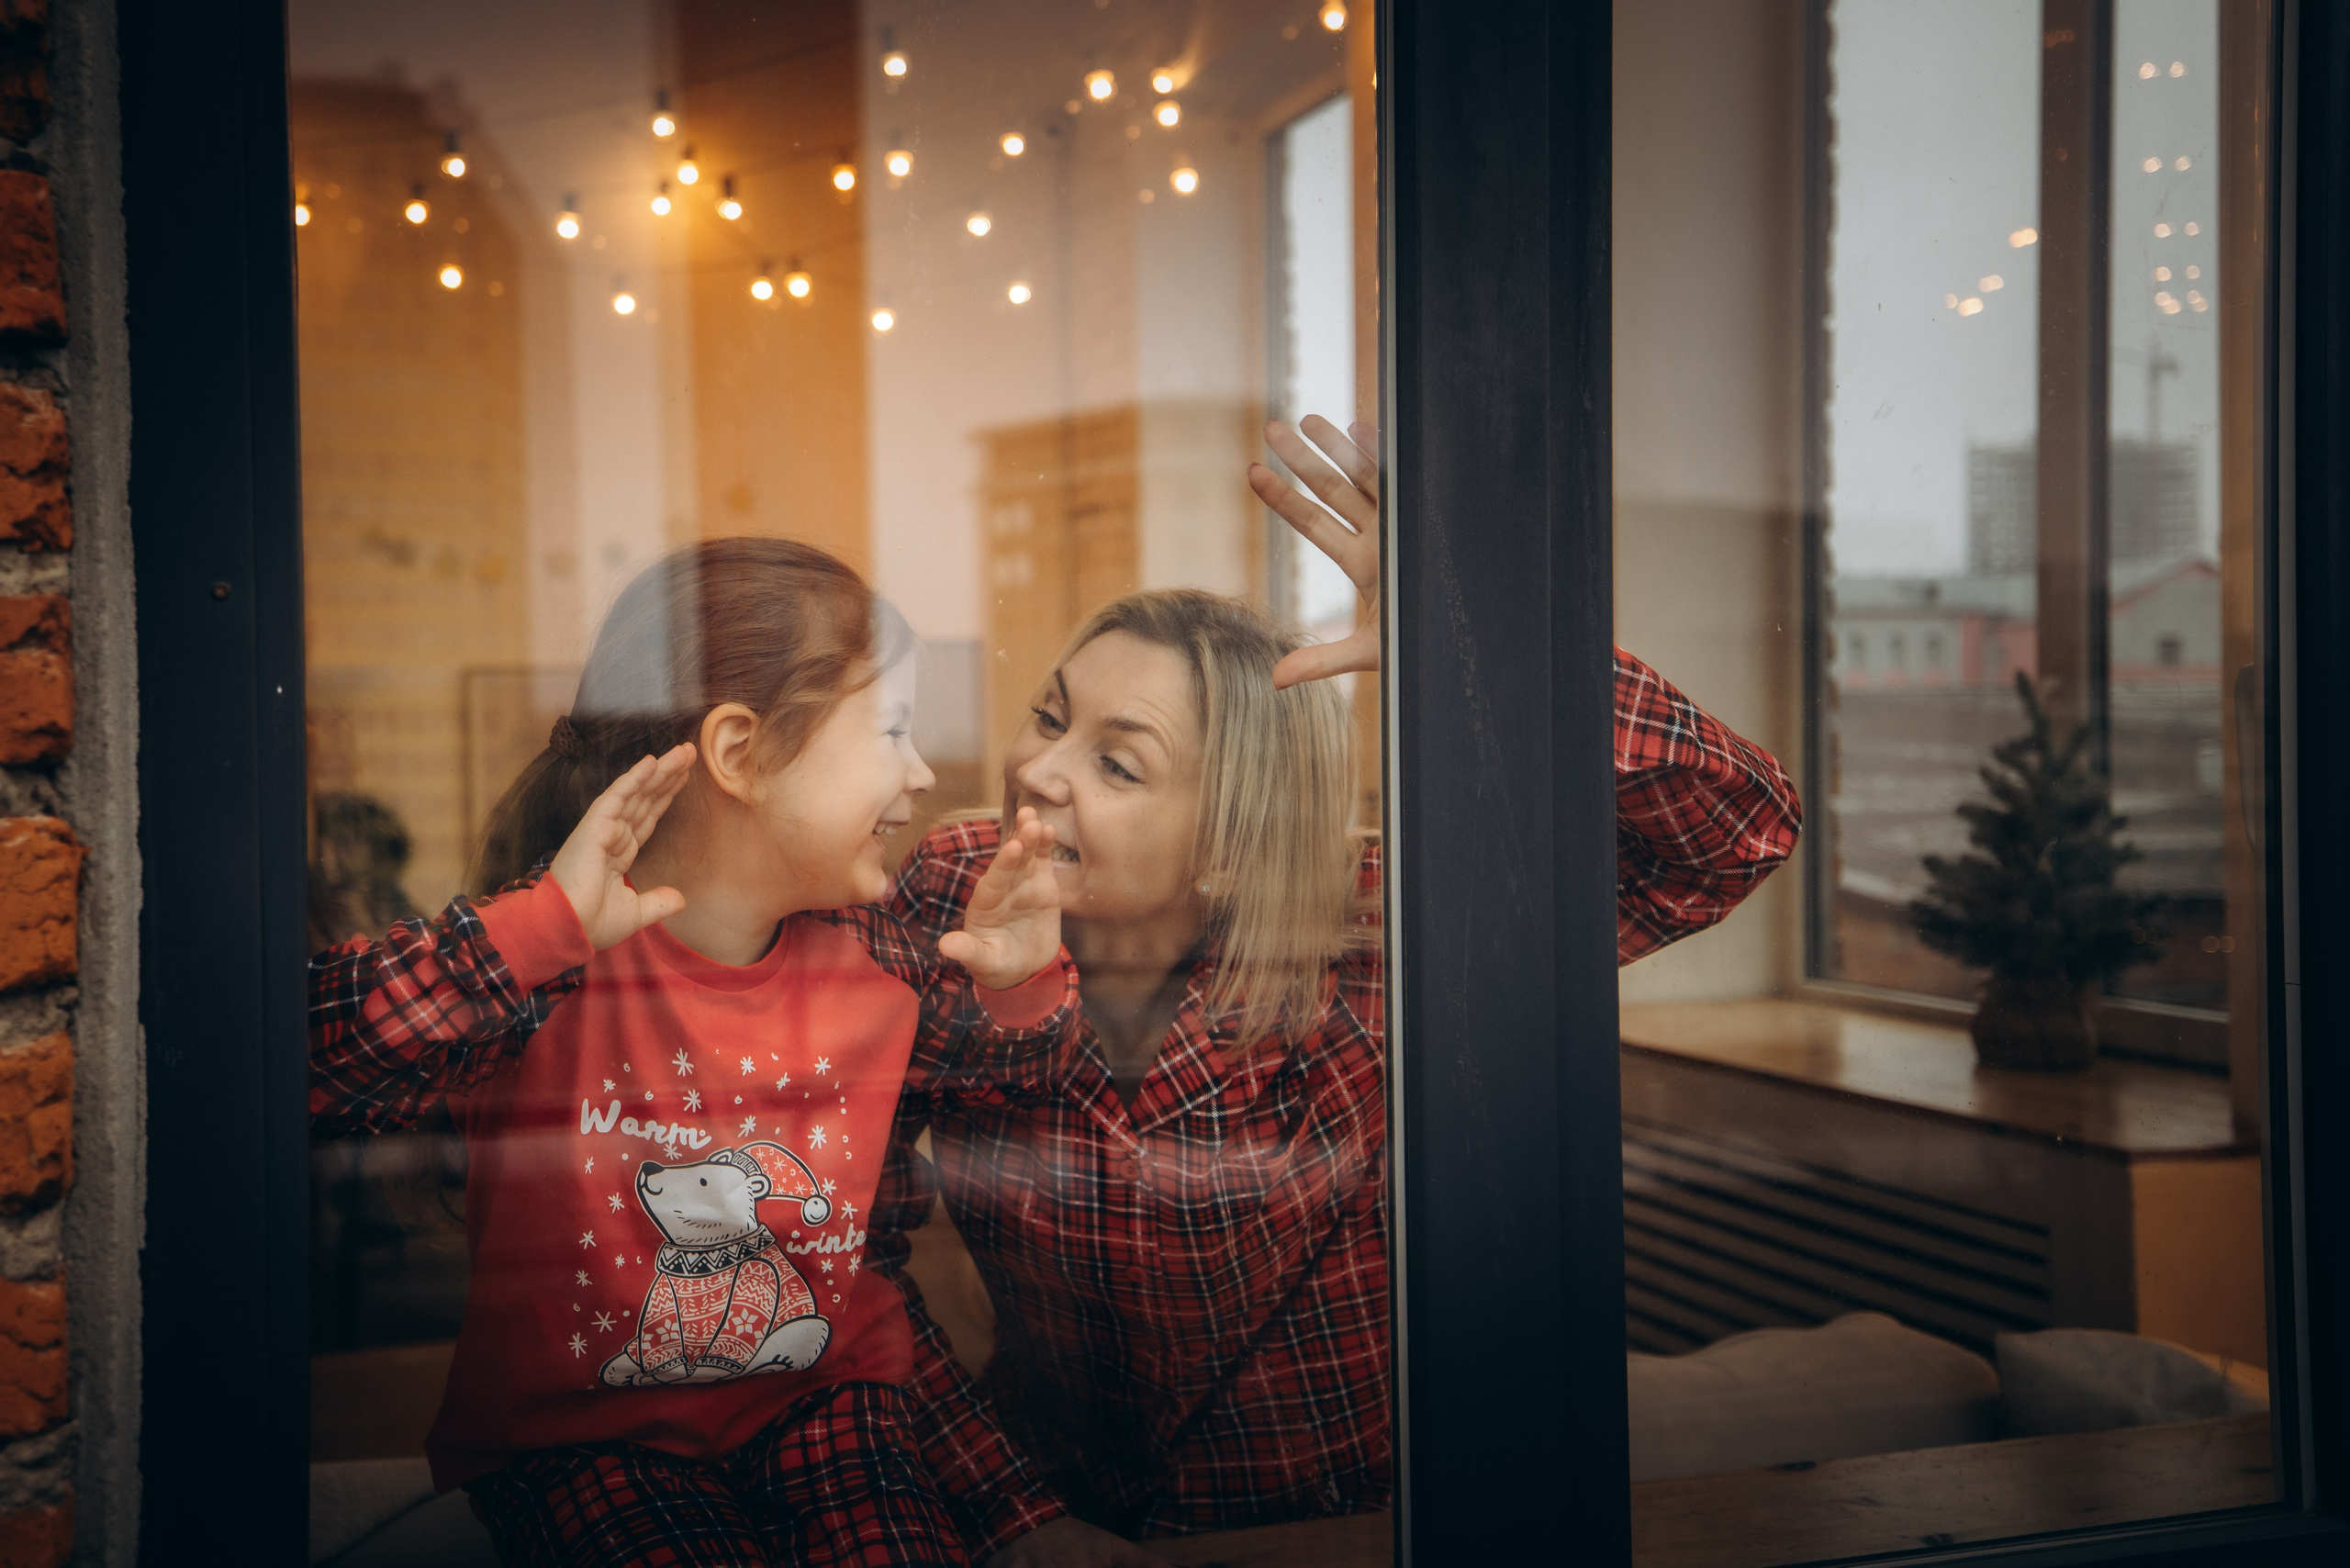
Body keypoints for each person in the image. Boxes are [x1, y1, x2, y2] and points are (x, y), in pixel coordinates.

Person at [866, 418, 1806, 1564]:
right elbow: (845, 1247)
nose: (1035, 768)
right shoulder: (953, 885)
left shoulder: (1366, 928)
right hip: (1050, 1499)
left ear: (1232, 838)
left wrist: (1487, 639)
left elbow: (1733, 836)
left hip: (1352, 1521)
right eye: (1051, 715)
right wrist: (1018, 1516)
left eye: (1117, 761)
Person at [307, 537, 1076, 1568]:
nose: (923, 771)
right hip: (582, 1444)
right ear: (739, 753)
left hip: (830, 1410)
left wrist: (1018, 981)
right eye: (891, 729)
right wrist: (532, 933)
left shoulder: (884, 959)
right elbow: (302, 1060)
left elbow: (1002, 1133)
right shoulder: (545, 973)